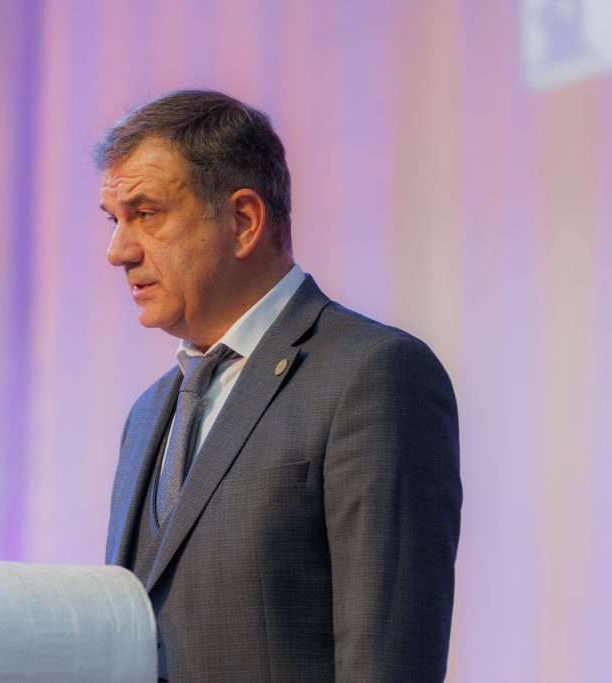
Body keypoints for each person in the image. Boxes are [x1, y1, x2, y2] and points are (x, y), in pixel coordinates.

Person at [95, 90, 462, 682]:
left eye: (147, 213)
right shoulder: (146, 414)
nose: (118, 251)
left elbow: (388, 660)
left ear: (243, 221)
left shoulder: (372, 374)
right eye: (115, 220)